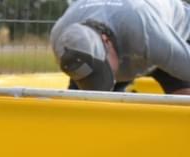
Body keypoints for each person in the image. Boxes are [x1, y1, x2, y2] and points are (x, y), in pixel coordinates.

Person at [50, 0, 190, 94]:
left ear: (107, 42)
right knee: (84, 110)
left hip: (169, 34)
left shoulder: (145, 30)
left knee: (185, 101)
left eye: (101, 72)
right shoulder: (62, 39)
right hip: (128, 47)